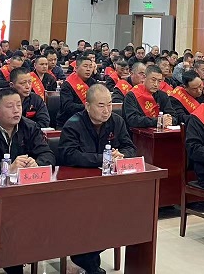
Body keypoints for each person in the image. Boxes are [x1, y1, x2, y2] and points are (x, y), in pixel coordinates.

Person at [57, 84, 136, 274]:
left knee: (126, 219)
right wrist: (103, 158)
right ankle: (88, 262)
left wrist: (122, 155)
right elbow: (69, 155)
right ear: (87, 106)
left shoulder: (117, 121)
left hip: (110, 186)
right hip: (79, 188)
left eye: (109, 104)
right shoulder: (73, 124)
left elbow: (130, 147)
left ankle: (84, 258)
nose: (106, 110)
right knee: (94, 219)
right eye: (101, 105)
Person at [122, 65, 174, 129]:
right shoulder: (131, 95)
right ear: (144, 77)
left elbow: (173, 116)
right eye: (153, 80)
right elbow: (133, 120)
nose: (156, 84)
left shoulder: (163, 95)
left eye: (159, 81)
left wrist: (169, 119)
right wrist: (158, 121)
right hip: (138, 133)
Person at [57, 57, 98, 126]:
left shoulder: (94, 83)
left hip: (90, 121)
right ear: (76, 68)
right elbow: (68, 106)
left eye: (90, 67)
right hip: (70, 122)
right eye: (85, 66)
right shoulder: (67, 84)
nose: (88, 69)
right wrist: (87, 107)